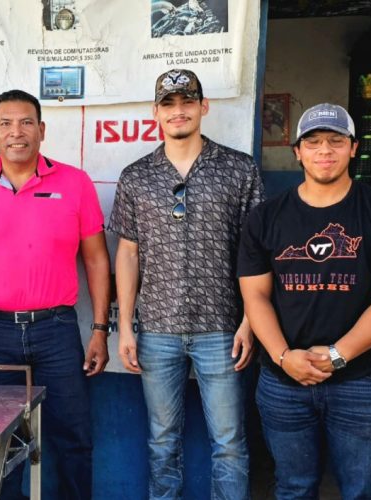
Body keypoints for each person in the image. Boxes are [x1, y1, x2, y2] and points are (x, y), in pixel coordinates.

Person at [238, 103, 371, 499]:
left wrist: (338, 354)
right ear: (297, 152)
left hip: (362, 380)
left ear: (354, 148)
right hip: (283, 382)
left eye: (336, 141)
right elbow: (255, 295)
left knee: (363, 491)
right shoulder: (266, 218)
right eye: (314, 142)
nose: (325, 151)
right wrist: (285, 357)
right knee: (293, 488)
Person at [0, 89, 111, 500]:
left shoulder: (75, 182)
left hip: (57, 329)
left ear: (42, 130)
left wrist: (101, 328)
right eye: (7, 124)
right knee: (2, 441)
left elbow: (98, 261)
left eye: (27, 122)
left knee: (72, 438)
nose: (18, 132)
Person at [108, 69, 262, 499]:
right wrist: (125, 326)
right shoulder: (136, 175)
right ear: (155, 112)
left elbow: (256, 254)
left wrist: (251, 321)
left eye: (187, 102)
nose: (179, 111)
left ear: (203, 106)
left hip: (223, 328)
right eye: (169, 104)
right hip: (156, 328)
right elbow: (127, 253)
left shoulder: (238, 169)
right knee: (162, 441)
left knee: (229, 444)